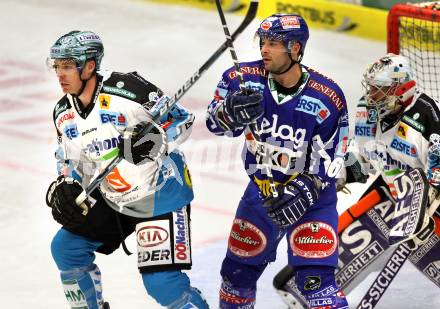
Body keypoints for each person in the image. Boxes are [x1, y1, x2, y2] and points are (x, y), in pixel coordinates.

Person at [44, 30, 209, 309]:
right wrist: (65, 185)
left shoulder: (129, 89)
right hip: (113, 194)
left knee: (162, 285)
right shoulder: (63, 112)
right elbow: (70, 160)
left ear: (90, 66)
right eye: (57, 66)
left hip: (159, 192)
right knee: (66, 249)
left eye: (68, 65)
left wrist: (154, 139)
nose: (61, 74)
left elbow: (182, 120)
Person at [273, 53, 440, 308]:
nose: (371, 95)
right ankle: (315, 293)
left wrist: (431, 196)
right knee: (355, 236)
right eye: (371, 88)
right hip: (392, 191)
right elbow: (366, 158)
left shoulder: (428, 118)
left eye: (379, 90)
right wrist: (331, 177)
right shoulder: (367, 110)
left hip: (430, 201)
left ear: (401, 89)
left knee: (431, 258)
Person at [205, 14, 350, 308]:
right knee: (236, 278)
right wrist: (229, 113)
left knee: (317, 283)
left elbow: (336, 155)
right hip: (261, 192)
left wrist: (306, 188)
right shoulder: (240, 80)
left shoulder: (328, 97)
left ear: (296, 49)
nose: (264, 50)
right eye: (263, 42)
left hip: (311, 200)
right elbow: (214, 124)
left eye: (274, 43)